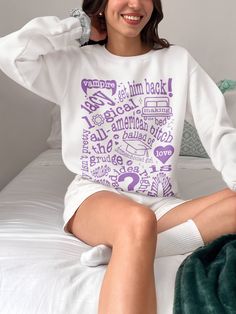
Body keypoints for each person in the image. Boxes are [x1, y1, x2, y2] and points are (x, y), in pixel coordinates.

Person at [0, 0, 236, 313]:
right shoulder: (74, 62)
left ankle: (133, 247)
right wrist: (81, 25)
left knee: (151, 220)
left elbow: (218, 131)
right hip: (96, 196)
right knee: (137, 220)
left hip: (161, 202)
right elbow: (10, 52)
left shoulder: (177, 62)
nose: (135, 4)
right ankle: (134, 238)